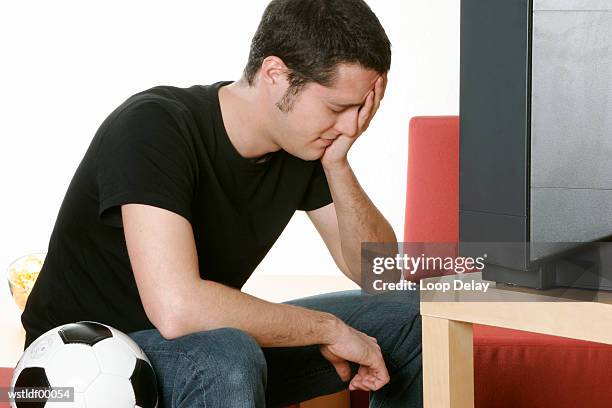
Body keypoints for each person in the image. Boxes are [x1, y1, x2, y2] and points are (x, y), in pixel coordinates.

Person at [21, 0, 422, 406]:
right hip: (83, 363)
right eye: (338, 108)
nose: (352, 126)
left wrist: (338, 163)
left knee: (413, 315)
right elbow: (177, 308)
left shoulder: (306, 147)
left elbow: (383, 279)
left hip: (204, 345)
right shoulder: (154, 127)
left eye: (361, 109)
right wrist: (328, 329)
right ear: (276, 75)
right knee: (227, 354)